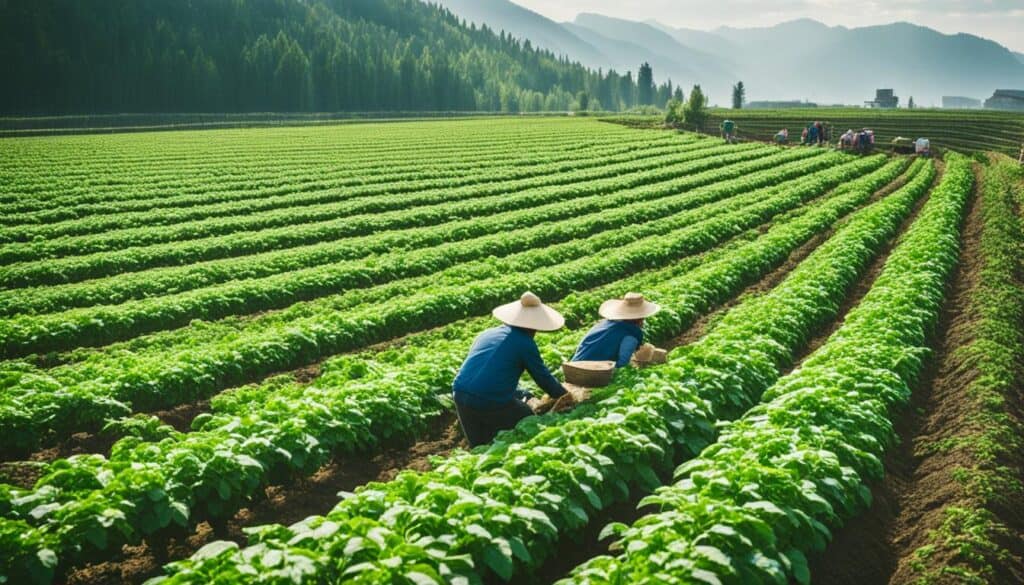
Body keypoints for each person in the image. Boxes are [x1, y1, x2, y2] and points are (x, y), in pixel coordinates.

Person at [452, 291, 570, 447]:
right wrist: (565, 396)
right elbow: (543, 377)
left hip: (459, 393)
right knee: (527, 419)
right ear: (534, 327)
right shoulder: (525, 343)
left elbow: (489, 373)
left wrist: (522, 393)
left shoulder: (488, 334)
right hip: (489, 398)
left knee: (479, 447)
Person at [571, 292, 661, 368]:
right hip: (592, 371)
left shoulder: (604, 324)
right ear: (641, 318)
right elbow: (622, 363)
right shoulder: (630, 335)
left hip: (574, 365)